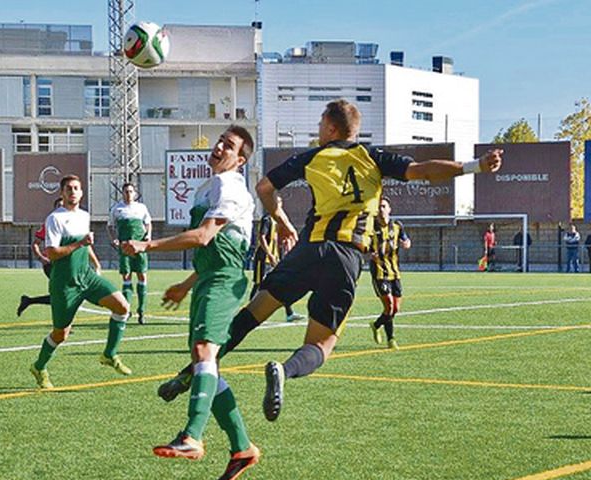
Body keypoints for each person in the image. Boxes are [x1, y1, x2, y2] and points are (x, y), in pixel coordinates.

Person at [155, 99, 504, 423]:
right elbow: (423, 171)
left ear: (332, 129)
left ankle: (195, 370)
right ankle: (284, 370)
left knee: (251, 314)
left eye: (321, 123)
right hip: (346, 257)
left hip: (308, 251)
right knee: (321, 344)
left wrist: (281, 220)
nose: (318, 129)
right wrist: (474, 166)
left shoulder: (312, 158)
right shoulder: (373, 157)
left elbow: (264, 188)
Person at [122, 126, 260, 480]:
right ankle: (242, 448)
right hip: (209, 277)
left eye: (227, 146)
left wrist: (147, 246)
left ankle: (192, 436)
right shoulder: (211, 186)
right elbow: (210, 249)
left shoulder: (230, 185)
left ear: (240, 159)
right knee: (206, 364)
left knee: (204, 352)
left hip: (224, 279)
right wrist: (186, 284)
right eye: (219, 141)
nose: (218, 147)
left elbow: (204, 237)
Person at [29, 175, 132, 388]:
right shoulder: (54, 219)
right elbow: (53, 253)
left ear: (82, 192)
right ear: (62, 193)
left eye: (76, 188)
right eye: (68, 188)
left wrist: (96, 264)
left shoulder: (84, 215)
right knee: (61, 334)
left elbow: (87, 244)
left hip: (87, 276)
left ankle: (109, 354)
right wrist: (80, 243)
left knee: (123, 306)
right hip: (64, 283)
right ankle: (39, 367)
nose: (73, 192)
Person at [17, 198, 102, 317]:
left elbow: (86, 245)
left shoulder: (76, 224)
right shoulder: (51, 223)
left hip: (71, 264)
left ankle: (29, 301)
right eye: (60, 206)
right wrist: (42, 258)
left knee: (65, 294)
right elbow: (35, 243)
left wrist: (96, 263)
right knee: (68, 293)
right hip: (53, 264)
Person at [368, 197, 411, 350]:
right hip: (379, 272)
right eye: (379, 207)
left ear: (389, 209)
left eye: (384, 206)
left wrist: (406, 243)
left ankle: (376, 324)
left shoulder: (397, 226)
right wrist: (368, 252)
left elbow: (406, 240)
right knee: (390, 306)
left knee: (395, 309)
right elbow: (361, 244)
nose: (381, 209)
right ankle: (391, 339)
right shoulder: (370, 226)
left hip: (395, 272)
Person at [252, 196, 304, 323]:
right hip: (263, 257)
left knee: (281, 283)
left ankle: (289, 313)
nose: (280, 205)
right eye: (278, 202)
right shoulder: (267, 219)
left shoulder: (277, 221)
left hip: (274, 257)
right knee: (259, 284)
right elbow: (262, 238)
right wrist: (269, 253)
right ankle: (249, 313)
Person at [108, 183, 152, 324]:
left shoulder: (141, 208)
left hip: (139, 247)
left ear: (135, 193)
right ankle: (126, 310)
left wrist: (148, 235)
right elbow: (109, 225)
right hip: (125, 247)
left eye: (131, 191)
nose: (128, 194)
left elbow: (148, 223)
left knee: (141, 275)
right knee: (126, 277)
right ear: (122, 193)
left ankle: (142, 311)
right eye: (126, 191)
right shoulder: (117, 209)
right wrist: (113, 238)